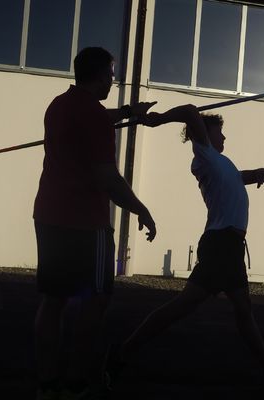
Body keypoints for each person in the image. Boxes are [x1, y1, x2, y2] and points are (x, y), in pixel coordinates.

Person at [108, 104, 264, 386]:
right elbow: (188, 110)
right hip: (221, 244)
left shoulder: (222, 162)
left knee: (240, 309)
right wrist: (159, 120)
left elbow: (237, 179)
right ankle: (122, 352)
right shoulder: (204, 155)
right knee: (186, 306)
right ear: (204, 134)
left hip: (230, 246)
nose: (224, 138)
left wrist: (256, 173)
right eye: (219, 132)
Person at [33, 47, 156, 400]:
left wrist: (130, 113)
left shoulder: (60, 105)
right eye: (112, 74)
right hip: (87, 225)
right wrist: (141, 209)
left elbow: (94, 118)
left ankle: (47, 385)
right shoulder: (96, 118)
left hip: (49, 216)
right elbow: (108, 179)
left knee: (53, 300)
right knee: (96, 300)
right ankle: (75, 384)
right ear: (102, 75)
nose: (113, 79)